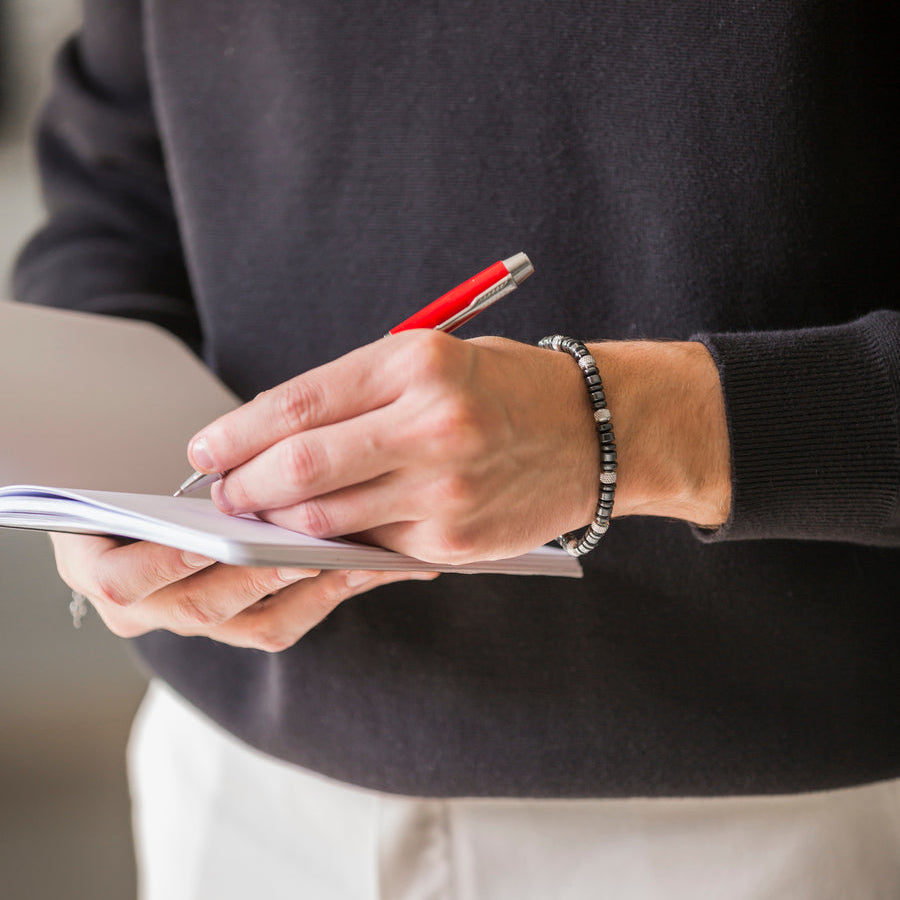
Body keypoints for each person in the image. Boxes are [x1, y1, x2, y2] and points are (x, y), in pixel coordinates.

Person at [14, 1, 899, 897]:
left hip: (789, 811)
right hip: (240, 786)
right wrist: (94, 446)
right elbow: (113, 176)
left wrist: (637, 427)